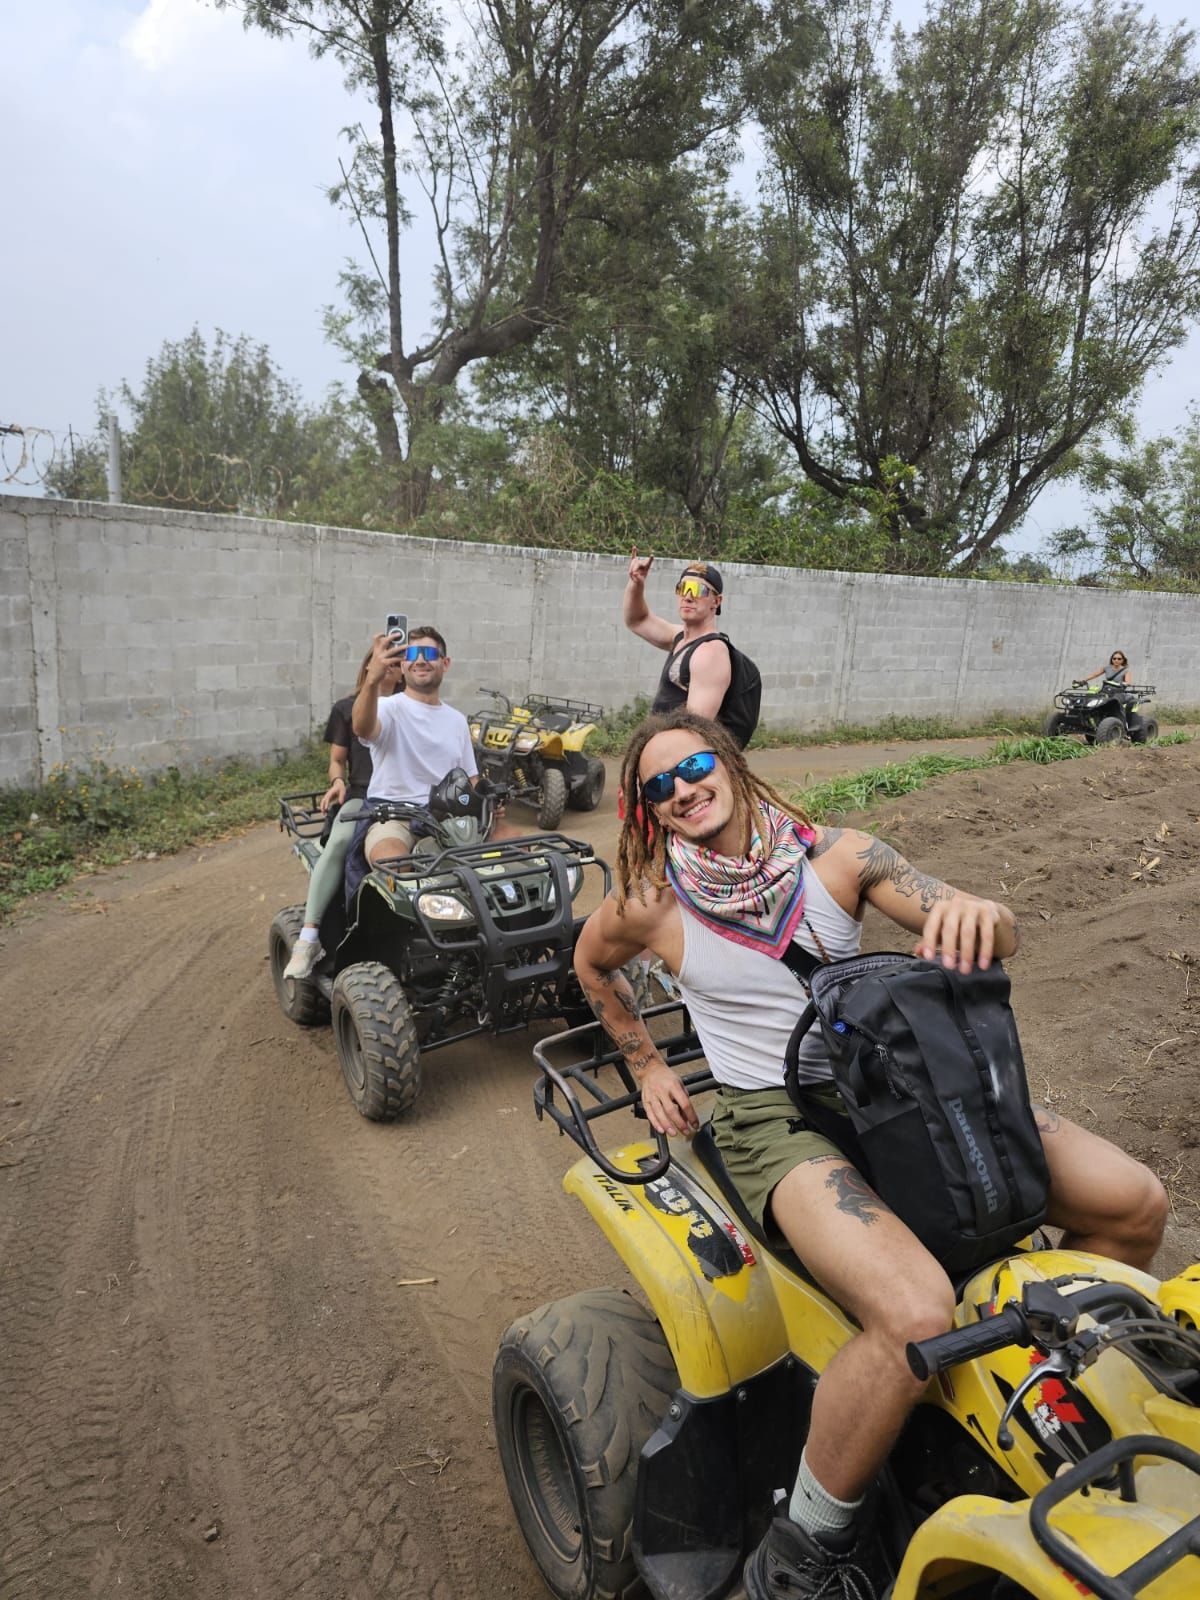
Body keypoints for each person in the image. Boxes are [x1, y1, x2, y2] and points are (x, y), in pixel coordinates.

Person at [573, 709, 1169, 1600]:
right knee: (917, 1313)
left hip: (880, 1078)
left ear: (728, 763)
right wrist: (646, 1060)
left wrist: (977, 912)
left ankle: (1036, 1361)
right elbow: (590, 966)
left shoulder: (843, 858)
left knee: (1135, 1202)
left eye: (692, 766)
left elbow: (986, 927)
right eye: (655, 785)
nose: (680, 790)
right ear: (646, 809)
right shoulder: (651, 903)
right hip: (766, 1116)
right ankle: (806, 1544)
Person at [282, 645, 402, 980]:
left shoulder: (413, 707)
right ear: (368, 665)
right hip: (363, 795)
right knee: (340, 843)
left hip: (409, 801)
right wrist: (337, 781)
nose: (391, 666)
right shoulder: (348, 709)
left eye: (397, 662)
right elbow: (337, 759)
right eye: (383, 660)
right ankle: (308, 938)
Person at [623, 553, 757, 746]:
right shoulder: (681, 638)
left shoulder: (710, 653)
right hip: (662, 753)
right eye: (683, 588)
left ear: (716, 601)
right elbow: (637, 620)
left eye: (698, 590)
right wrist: (637, 584)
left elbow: (693, 733)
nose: (688, 596)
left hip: (678, 762)